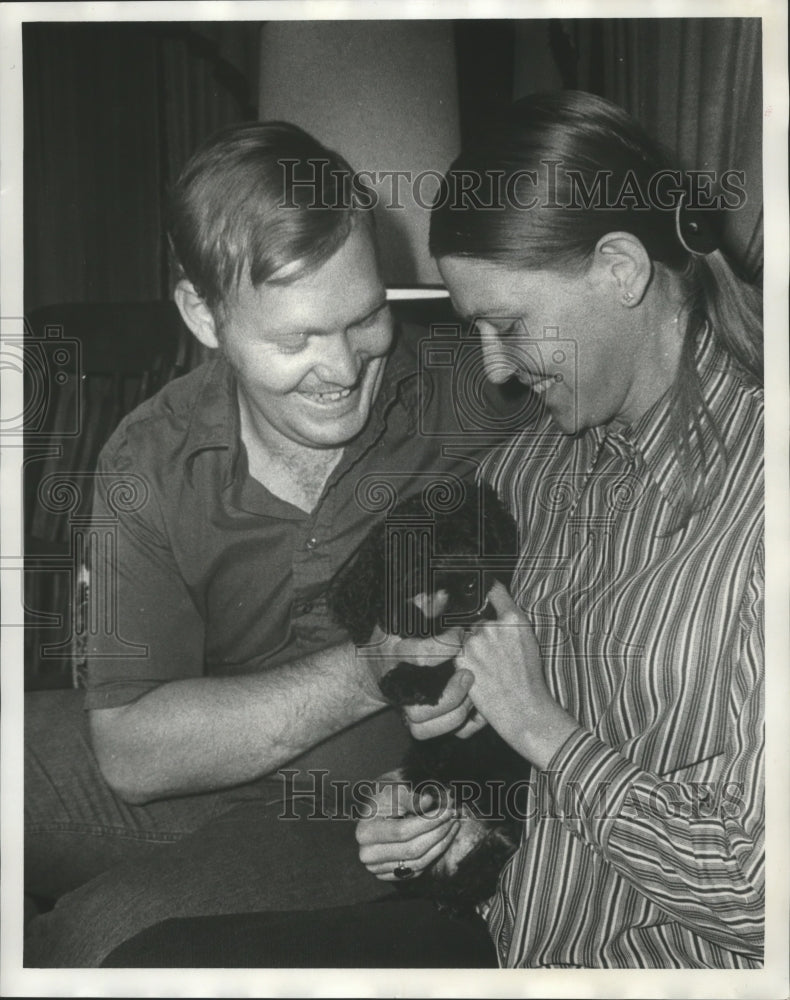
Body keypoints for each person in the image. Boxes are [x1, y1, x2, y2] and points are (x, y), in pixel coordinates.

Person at [102, 90, 763, 970]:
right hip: (501, 928)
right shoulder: (531, 470)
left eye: (511, 325)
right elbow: (495, 750)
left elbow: (761, 899)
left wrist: (546, 735)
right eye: (475, 328)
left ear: (620, 269)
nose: (494, 366)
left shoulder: (756, 504)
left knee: (103, 943)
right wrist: (438, 812)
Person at [24, 120, 512, 967]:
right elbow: (134, 754)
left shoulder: (479, 403)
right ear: (203, 316)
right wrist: (373, 667)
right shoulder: (149, 456)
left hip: (367, 809)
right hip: (202, 751)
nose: (343, 369)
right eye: (294, 341)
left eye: (364, 318)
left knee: (86, 943)